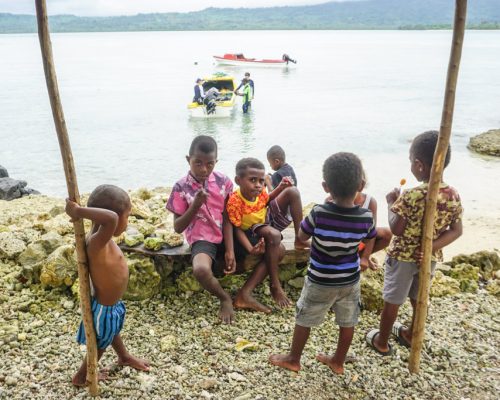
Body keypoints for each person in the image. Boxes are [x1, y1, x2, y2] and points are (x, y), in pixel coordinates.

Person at [269, 152, 376, 374]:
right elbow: (369, 236)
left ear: (326, 187)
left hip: (320, 279)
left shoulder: (319, 212)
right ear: (361, 185)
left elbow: (301, 237)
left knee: (305, 316)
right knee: (348, 321)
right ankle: (338, 361)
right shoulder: (365, 216)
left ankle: (294, 358)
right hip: (349, 279)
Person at [366, 130, 463, 355]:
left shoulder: (411, 196)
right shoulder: (453, 194)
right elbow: (456, 230)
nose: (410, 165)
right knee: (419, 298)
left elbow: (396, 228)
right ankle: (411, 333)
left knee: (393, 300)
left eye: (411, 161)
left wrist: (391, 203)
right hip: (428, 258)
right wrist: (431, 247)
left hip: (402, 257)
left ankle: (381, 341)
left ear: (419, 165)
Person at [66, 185, 150, 387]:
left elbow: (109, 219)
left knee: (112, 331)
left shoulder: (100, 237)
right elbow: (111, 219)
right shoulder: (96, 242)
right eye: (127, 216)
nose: (126, 221)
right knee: (101, 342)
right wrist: (78, 212)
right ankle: (81, 376)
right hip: (105, 306)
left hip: (112, 304)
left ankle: (124, 356)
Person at [166, 135, 237, 324]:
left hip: (226, 233)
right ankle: (225, 298)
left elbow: (227, 216)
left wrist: (230, 249)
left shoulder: (224, 182)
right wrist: (195, 205)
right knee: (200, 270)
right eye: (198, 163)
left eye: (210, 164)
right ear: (188, 159)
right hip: (202, 239)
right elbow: (178, 227)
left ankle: (248, 294)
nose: (204, 169)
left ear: (216, 162)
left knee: (268, 243)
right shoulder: (181, 187)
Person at [227, 158, 309, 311]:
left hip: (264, 219)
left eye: (261, 181)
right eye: (252, 180)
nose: (258, 185)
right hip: (250, 229)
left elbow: (266, 200)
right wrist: (250, 249)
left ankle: (300, 238)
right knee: (278, 246)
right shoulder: (235, 201)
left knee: (292, 191)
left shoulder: (258, 191)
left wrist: (280, 187)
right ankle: (275, 285)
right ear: (238, 180)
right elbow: (236, 228)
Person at [326, 171, 392, 270]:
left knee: (387, 233)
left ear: (361, 185)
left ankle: (361, 255)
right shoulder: (332, 199)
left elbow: (372, 231)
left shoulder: (370, 201)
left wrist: (365, 257)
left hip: (361, 237)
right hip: (342, 239)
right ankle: (353, 257)